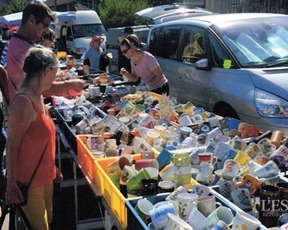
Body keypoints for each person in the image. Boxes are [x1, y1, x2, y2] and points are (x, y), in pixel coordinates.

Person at [5, 45, 63, 229]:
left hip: (44, 178)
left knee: (47, 223)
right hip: (30, 183)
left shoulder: (37, 97)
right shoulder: (23, 101)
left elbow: (41, 140)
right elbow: (12, 145)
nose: (55, 78)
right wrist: (11, 184)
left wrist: (53, 167)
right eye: (55, 73)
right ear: (47, 70)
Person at [6, 2, 85, 105]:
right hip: (27, 110)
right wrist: (72, 84)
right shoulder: (23, 51)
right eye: (45, 26)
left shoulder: (20, 43)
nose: (47, 31)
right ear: (32, 20)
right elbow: (41, 88)